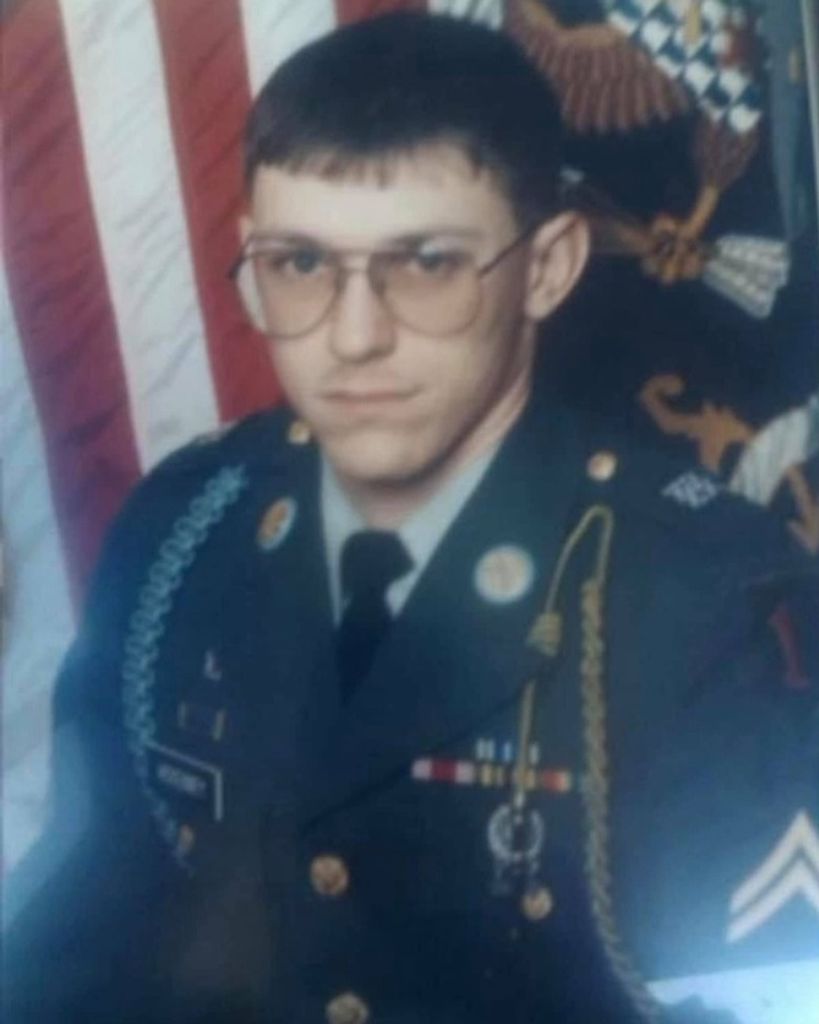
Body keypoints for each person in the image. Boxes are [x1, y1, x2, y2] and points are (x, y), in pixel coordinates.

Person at [4, 12, 818, 1024]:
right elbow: (80, 932)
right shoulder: (183, 531)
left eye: (426, 263)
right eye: (301, 263)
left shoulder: (695, 603)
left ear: (549, 266)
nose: (353, 337)